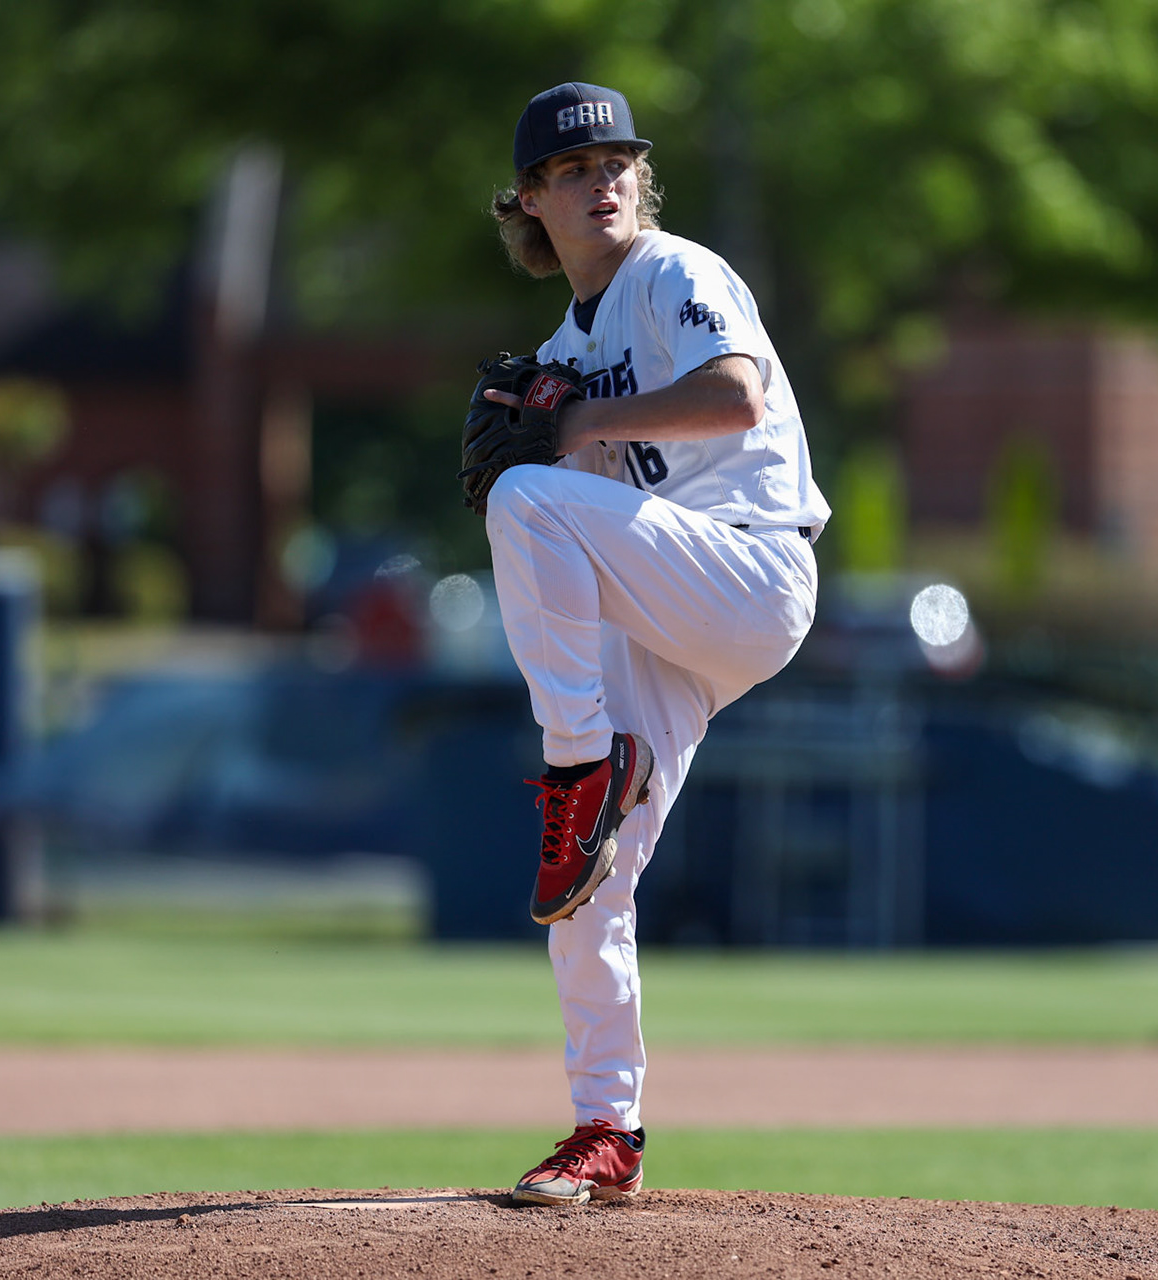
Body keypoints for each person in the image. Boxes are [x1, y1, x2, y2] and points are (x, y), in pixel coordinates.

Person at [480, 82, 829, 1206]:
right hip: (669, 612)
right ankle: (605, 1128)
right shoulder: (563, 343)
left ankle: (580, 763)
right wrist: (537, 432)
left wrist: (568, 429)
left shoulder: (674, 271)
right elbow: (560, 533)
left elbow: (733, 396)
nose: (607, 181)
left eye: (619, 161)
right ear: (532, 200)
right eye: (576, 171)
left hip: (752, 568)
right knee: (590, 878)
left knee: (530, 496)